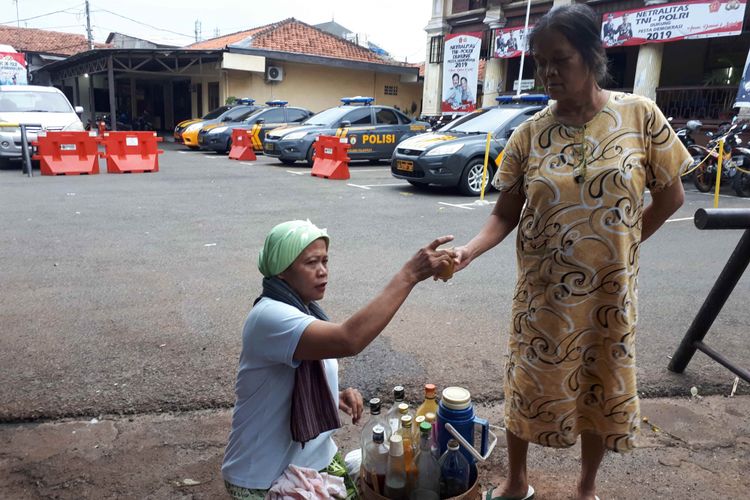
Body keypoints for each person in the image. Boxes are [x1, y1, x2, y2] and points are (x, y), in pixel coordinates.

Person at [452, 5, 690, 500]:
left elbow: (671, 196)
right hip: (543, 297)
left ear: (594, 55)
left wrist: (624, 245)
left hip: (608, 296)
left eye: (560, 59)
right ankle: (517, 481)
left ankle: (586, 488)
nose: (549, 73)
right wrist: (468, 251)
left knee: (598, 385)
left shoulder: (639, 116)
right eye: (541, 62)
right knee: (527, 382)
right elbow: (504, 213)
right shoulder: (530, 133)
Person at [222, 220, 454, 498]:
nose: (323, 271)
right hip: (262, 475)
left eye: (325, 261)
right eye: (311, 263)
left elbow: (292, 380)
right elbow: (348, 339)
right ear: (282, 271)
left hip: (315, 460)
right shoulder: (268, 316)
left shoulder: (304, 310)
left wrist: (331, 395)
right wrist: (409, 275)